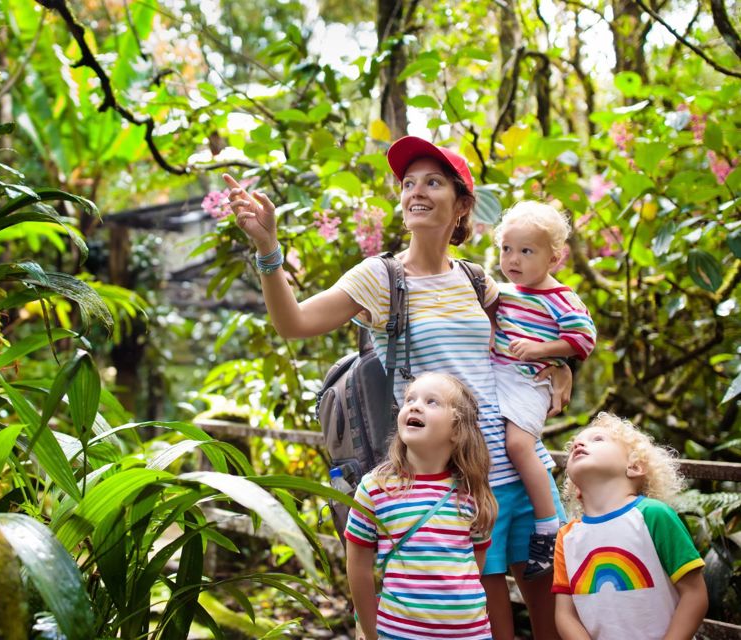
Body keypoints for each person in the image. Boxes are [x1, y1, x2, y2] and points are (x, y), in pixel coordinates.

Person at [224, 135, 571, 639]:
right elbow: (293, 323)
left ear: (462, 204)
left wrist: (562, 366)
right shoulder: (380, 277)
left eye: (433, 182)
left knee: (553, 620)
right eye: (409, 183)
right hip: (462, 483)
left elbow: (528, 334)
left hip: (523, 467)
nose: (417, 192)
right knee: (489, 627)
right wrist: (267, 249)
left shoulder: (476, 279)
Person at [344, 372, 497, 639]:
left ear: (457, 430)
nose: (414, 406)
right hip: (398, 633)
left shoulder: (470, 492)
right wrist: (371, 632)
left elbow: (475, 564)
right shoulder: (375, 488)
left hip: (470, 633)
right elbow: (358, 568)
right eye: (410, 400)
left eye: (431, 402)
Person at [492, 201, 597, 579]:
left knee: (519, 446)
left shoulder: (560, 297)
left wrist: (544, 351)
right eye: (506, 249)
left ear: (554, 258)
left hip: (529, 380)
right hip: (500, 378)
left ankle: (547, 525)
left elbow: (583, 339)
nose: (513, 259)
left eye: (526, 251)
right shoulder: (504, 291)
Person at [553, 413, 708, 640]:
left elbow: (694, 594)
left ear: (634, 466)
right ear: (575, 488)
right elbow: (565, 614)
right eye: (576, 443)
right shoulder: (566, 538)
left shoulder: (654, 515)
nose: (578, 444)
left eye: (597, 439)